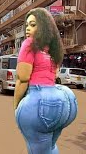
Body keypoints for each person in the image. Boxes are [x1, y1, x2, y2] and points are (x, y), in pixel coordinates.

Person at [14, 8, 77, 154]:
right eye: (27, 25)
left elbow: (22, 79)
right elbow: (54, 75)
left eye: (33, 25)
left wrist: (17, 107)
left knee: (38, 149)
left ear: (44, 26)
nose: (28, 28)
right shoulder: (54, 48)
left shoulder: (29, 44)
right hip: (65, 101)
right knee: (49, 148)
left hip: (39, 100)